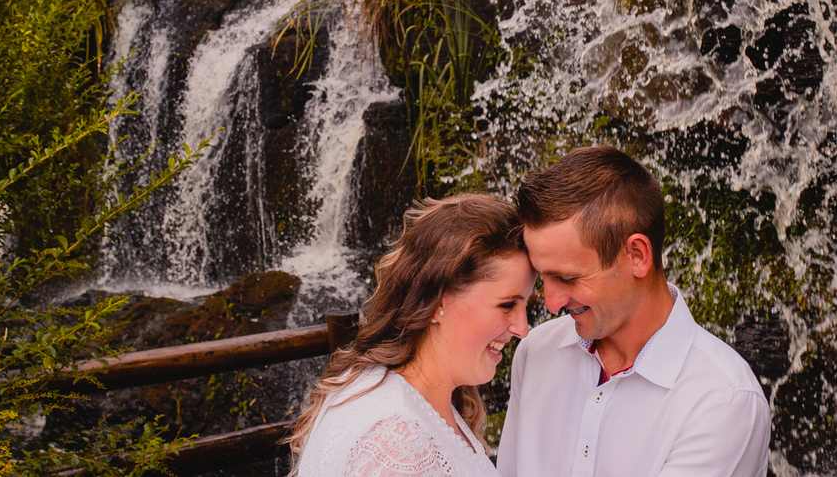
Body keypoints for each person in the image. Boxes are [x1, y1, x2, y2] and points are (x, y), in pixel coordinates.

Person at [498, 146, 771, 477]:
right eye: (543, 276)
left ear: (638, 255)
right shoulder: (535, 352)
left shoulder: (723, 400)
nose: (551, 302)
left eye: (567, 278)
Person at [286, 194, 535, 477]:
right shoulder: (398, 442)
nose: (522, 328)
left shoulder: (386, 391)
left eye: (526, 304)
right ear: (438, 300)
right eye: (507, 305)